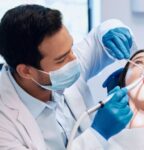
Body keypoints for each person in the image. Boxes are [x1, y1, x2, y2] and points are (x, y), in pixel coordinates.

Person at [0, 4, 134, 150]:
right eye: (61, 59)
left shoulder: (59, 56)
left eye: (71, 47)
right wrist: (98, 133)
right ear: (26, 71)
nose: (74, 59)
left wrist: (111, 30)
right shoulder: (4, 125)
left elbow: (99, 35)